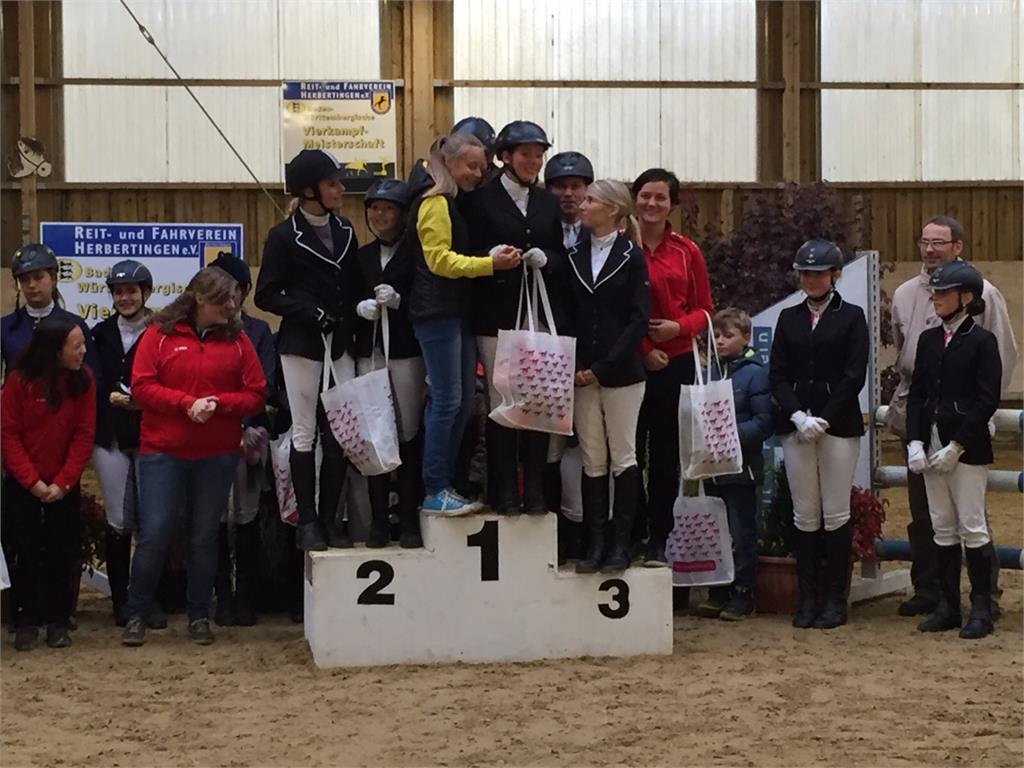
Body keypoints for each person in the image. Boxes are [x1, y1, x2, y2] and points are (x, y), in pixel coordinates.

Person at [121, 267, 266, 647]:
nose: (232, 305)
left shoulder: (239, 340)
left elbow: (256, 393)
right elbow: (141, 386)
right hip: (162, 451)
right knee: (155, 532)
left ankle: (199, 614)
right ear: (199, 298)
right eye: (224, 299)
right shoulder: (159, 334)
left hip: (216, 454)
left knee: (204, 536)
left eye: (234, 298)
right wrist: (186, 404)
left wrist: (219, 404)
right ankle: (136, 611)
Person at [889, 215, 1016, 619]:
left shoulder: (985, 302)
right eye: (924, 241)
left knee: (971, 518)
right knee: (929, 515)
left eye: (938, 243)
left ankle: (984, 598)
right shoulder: (907, 296)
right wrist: (915, 437)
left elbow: (998, 362)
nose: (929, 249)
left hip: (965, 422)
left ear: (957, 247)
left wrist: (972, 423)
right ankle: (936, 594)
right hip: (924, 422)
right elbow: (908, 359)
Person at [408, 132, 520, 515]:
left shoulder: (452, 203)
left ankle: (445, 483)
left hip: (455, 312)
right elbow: (439, 260)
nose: (477, 173)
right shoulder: (434, 203)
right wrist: (490, 264)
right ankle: (434, 488)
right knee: (446, 400)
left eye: (482, 168)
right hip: (436, 313)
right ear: (448, 162)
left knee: (459, 402)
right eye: (472, 166)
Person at [255, 149, 360, 552]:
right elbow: (266, 294)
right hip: (302, 343)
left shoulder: (346, 230)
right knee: (305, 431)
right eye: (332, 183)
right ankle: (308, 521)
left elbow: (350, 285)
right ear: (310, 191)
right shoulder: (284, 236)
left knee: (339, 433)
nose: (340, 189)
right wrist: (309, 311)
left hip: (341, 343)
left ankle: (331, 519)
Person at [461, 119, 564, 517]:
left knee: (536, 399)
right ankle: (503, 490)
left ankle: (534, 490)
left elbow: (559, 253)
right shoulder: (479, 201)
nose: (533, 162)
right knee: (502, 401)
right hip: (496, 315)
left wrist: (546, 259)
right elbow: (467, 254)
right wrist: (491, 259)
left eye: (538, 156)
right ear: (505, 156)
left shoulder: (547, 203)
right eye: (525, 155)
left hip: (536, 314)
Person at [769, 239, 868, 630]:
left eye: (818, 273)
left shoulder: (852, 317)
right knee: (805, 513)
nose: (811, 280)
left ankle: (834, 600)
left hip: (836, 425)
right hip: (796, 425)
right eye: (805, 273)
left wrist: (823, 419)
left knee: (835, 511)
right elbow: (777, 374)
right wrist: (797, 415)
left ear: (834, 275)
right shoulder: (789, 318)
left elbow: (853, 375)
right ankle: (807, 598)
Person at [906, 261, 1001, 640]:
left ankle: (981, 607)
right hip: (931, 443)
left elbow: (987, 399)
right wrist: (915, 440)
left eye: (943, 293)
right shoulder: (929, 340)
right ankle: (948, 605)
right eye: (935, 292)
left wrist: (958, 444)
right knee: (942, 526)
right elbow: (918, 394)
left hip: (966, 447)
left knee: (972, 526)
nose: (936, 298)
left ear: (966, 297)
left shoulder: (982, 341)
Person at [564, 179, 650, 573]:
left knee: (624, 456)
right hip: (581, 371)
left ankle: (621, 543)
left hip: (621, 373)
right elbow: (569, 313)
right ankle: (594, 543)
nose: (582, 205)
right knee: (593, 458)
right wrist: (577, 363)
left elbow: (638, 318)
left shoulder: (632, 256)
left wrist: (603, 366)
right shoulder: (573, 255)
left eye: (590, 200)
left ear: (612, 210)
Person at [631, 168, 714, 568]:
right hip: (631, 360)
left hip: (676, 363)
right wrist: (646, 347)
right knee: (629, 452)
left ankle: (658, 538)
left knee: (666, 455)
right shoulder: (619, 246)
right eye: (645, 195)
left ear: (672, 205)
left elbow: (705, 311)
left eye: (660, 197)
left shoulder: (687, 251)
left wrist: (677, 329)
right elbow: (612, 310)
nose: (652, 203)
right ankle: (632, 531)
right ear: (634, 199)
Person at [2, 317, 96, 650]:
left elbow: (84, 434)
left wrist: (64, 482)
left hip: (62, 484)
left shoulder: (83, 381)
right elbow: (8, 435)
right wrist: (32, 482)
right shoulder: (18, 382)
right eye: (76, 346)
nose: (83, 351)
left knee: (62, 550)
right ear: (55, 350)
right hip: (23, 483)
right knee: (23, 549)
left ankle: (59, 620)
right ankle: (25, 620)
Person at [353, 178, 426, 548]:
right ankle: (378, 522)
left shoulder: (415, 254)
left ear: (402, 215)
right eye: (374, 209)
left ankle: (409, 519)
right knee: (375, 435)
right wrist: (359, 308)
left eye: (387, 209)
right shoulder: (362, 256)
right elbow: (346, 298)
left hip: (405, 353)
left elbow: (427, 300)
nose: (379, 215)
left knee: (408, 434)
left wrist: (401, 302)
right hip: (370, 355)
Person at [209, 253, 277, 626]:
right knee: (216, 516)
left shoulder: (259, 331)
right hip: (211, 433)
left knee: (247, 515)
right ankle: (222, 595)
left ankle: (246, 594)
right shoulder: (202, 331)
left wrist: (241, 425)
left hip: (249, 433)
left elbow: (263, 383)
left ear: (244, 291)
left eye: (231, 288)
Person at [695, 308, 773, 620]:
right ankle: (719, 591)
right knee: (716, 531)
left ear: (746, 338)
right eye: (716, 335)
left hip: (742, 468)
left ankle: (743, 593)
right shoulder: (708, 372)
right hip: (711, 468)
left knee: (742, 533)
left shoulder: (755, 373)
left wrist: (728, 435)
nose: (720, 341)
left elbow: (764, 422)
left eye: (728, 335)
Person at [91, 259, 154, 627]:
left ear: (145, 293)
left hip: (150, 434)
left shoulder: (160, 332)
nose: (124, 298)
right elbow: (93, 380)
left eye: (131, 291)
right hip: (111, 435)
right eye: (118, 292)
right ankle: (120, 600)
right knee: (118, 519)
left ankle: (149, 599)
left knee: (151, 519)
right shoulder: (100, 334)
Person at [1, 243, 98, 379]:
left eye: (38, 277)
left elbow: (93, 377)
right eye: (24, 280)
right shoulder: (5, 326)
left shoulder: (75, 324)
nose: (32, 285)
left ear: (53, 279)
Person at [544, 151, 593, 250]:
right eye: (560, 186)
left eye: (575, 186)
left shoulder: (599, 230)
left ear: (587, 189)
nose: (568, 193)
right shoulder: (540, 230)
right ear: (549, 190)